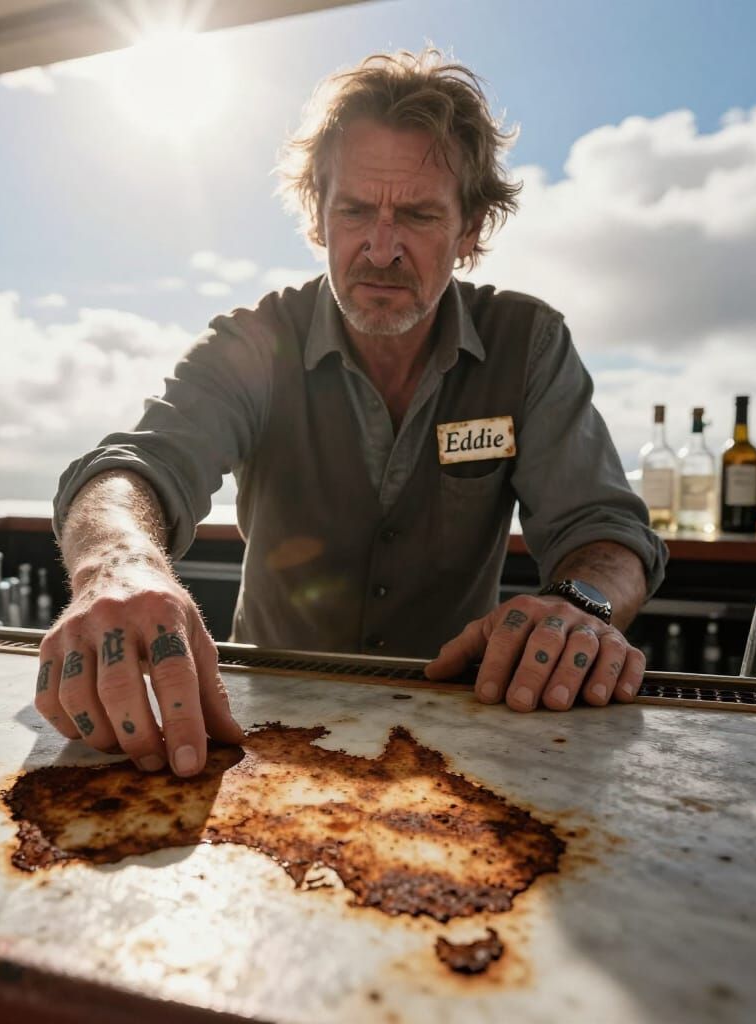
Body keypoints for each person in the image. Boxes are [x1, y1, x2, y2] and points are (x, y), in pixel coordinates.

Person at [35, 50, 668, 778]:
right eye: (356, 210)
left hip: (464, 731)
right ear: (318, 217)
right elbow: (135, 468)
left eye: (421, 215)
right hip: (261, 732)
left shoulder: (528, 346)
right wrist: (118, 564)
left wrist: (578, 602)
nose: (381, 247)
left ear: (470, 232)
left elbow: (608, 532)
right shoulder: (251, 343)